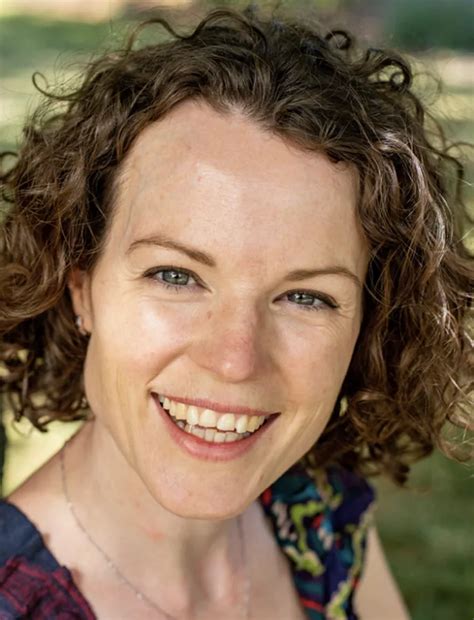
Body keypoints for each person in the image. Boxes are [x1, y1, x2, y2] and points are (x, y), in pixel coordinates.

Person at [0, 5, 471, 619]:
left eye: (306, 296)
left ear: (369, 322)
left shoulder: (321, 514)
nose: (234, 360)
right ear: (81, 287)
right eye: (176, 276)